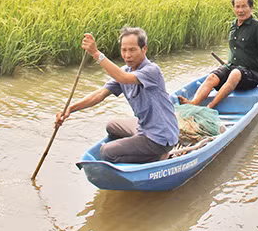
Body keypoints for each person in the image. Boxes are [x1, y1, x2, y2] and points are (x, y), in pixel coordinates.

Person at [55, 27, 179, 163]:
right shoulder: (125, 70)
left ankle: (157, 156)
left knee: (106, 152)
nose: (127, 55)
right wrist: (70, 109)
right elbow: (100, 94)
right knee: (111, 126)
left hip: (160, 136)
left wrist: (96, 53)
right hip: (144, 127)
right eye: (124, 50)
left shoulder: (151, 70)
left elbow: (123, 78)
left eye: (132, 50)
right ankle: (139, 145)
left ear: (144, 49)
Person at [179, 0, 258, 109]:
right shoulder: (233, 26)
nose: (240, 10)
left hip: (251, 74)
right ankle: (194, 103)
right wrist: (228, 62)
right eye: (237, 7)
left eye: (244, 6)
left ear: (251, 7)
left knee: (235, 73)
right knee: (212, 77)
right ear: (233, 8)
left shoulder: (257, 27)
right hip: (233, 67)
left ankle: (211, 106)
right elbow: (236, 49)